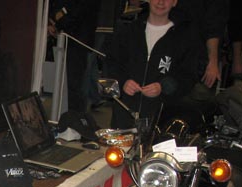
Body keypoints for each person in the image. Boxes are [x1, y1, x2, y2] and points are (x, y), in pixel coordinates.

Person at [104, 0, 195, 129]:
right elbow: (112, 64)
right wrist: (123, 82)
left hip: (160, 118)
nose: (161, 2)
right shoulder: (128, 31)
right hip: (124, 114)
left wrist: (162, 87)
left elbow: (188, 74)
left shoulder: (184, 37)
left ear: (175, 2)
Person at [49, 0, 103, 113]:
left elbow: (75, 11)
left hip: (78, 39)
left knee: (75, 83)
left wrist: (57, 23)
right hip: (78, 38)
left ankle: (75, 115)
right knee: (76, 80)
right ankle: (75, 114)